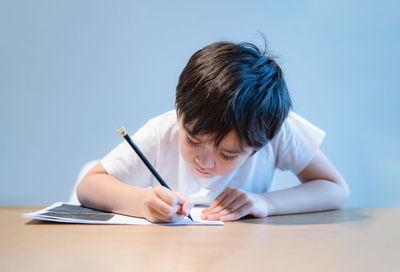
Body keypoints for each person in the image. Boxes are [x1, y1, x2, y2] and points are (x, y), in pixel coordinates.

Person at [77, 41, 349, 222]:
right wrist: (143, 202)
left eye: (228, 155)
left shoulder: (273, 127)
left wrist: (265, 203)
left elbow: (335, 189)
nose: (204, 162)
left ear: (260, 144)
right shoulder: (163, 131)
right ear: (181, 113)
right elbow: (89, 186)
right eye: (193, 140)